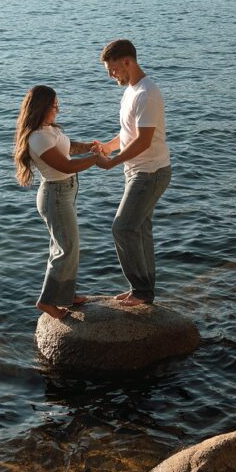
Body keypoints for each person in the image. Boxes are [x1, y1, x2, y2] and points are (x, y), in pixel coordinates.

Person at [93, 40, 171, 307]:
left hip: (150, 172)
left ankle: (141, 290)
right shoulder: (131, 91)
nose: (110, 75)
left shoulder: (146, 93)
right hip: (140, 171)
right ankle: (143, 291)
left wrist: (112, 162)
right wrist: (108, 146)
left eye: (112, 69)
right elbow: (129, 136)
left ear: (127, 62)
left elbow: (144, 141)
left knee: (122, 228)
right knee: (139, 229)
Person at [14, 85, 98, 320]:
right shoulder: (38, 137)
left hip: (65, 193)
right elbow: (65, 166)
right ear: (41, 108)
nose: (58, 108)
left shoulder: (49, 130)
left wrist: (89, 147)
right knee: (67, 248)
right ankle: (46, 301)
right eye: (53, 105)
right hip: (56, 195)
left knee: (65, 247)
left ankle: (65, 295)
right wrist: (95, 159)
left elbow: (68, 148)